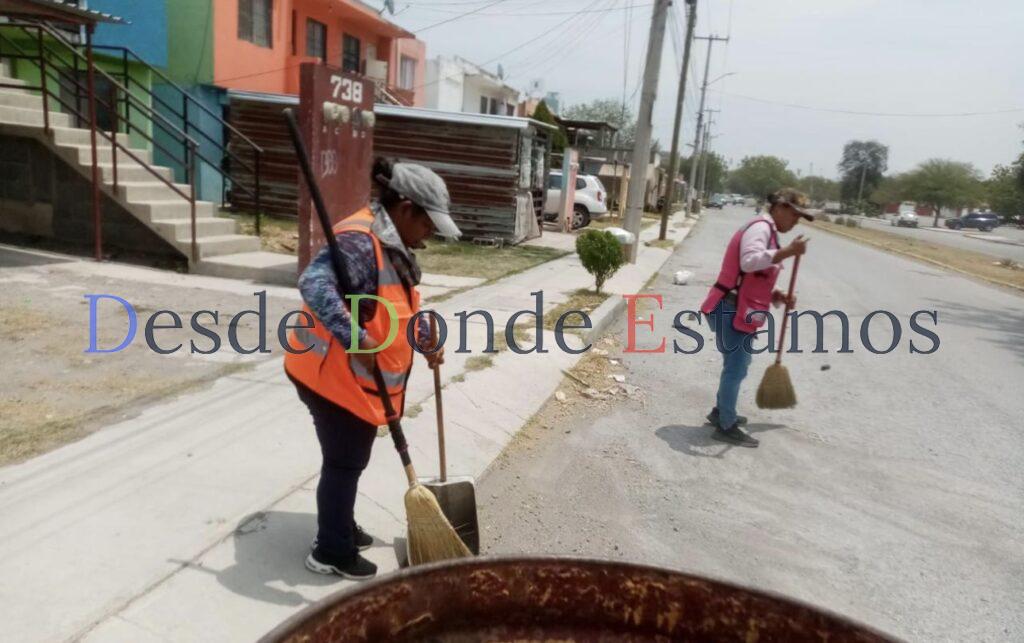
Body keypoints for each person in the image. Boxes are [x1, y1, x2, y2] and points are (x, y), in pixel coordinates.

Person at [284, 158, 461, 579]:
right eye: (428, 223)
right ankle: (331, 550)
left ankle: (340, 524)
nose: (430, 233)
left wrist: (424, 339)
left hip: (353, 379)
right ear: (406, 209)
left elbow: (394, 307)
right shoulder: (361, 243)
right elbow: (313, 282)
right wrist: (355, 337)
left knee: (349, 458)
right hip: (329, 376)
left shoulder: (390, 242)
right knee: (345, 461)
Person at [699, 188, 811, 448]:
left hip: (739, 308)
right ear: (779, 208)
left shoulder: (768, 231)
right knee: (736, 367)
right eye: (794, 215)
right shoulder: (760, 228)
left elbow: (754, 278)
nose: (796, 222)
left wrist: (777, 295)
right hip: (731, 308)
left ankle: (721, 411)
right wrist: (788, 252)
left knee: (736, 365)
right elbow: (749, 262)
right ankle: (725, 425)